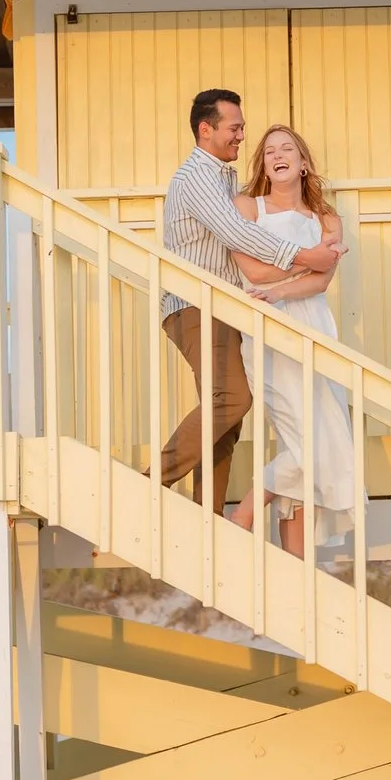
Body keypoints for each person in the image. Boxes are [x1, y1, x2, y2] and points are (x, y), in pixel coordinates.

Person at [158, 89, 342, 520]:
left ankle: (208, 517)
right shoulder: (195, 178)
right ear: (207, 130)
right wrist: (305, 257)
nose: (243, 135)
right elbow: (238, 235)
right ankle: (150, 483)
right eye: (235, 127)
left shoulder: (223, 178)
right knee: (232, 400)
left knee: (225, 420)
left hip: (224, 308)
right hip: (196, 305)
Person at [231, 125, 355, 558]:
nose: (277, 155)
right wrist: (307, 265)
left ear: (304, 164)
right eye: (269, 152)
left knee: (318, 438)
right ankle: (244, 514)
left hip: (315, 327)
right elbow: (254, 272)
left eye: (287, 149)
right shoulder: (248, 208)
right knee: (311, 441)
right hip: (268, 326)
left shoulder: (328, 220)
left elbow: (322, 282)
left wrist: (286, 285)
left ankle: (295, 563)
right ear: (263, 165)